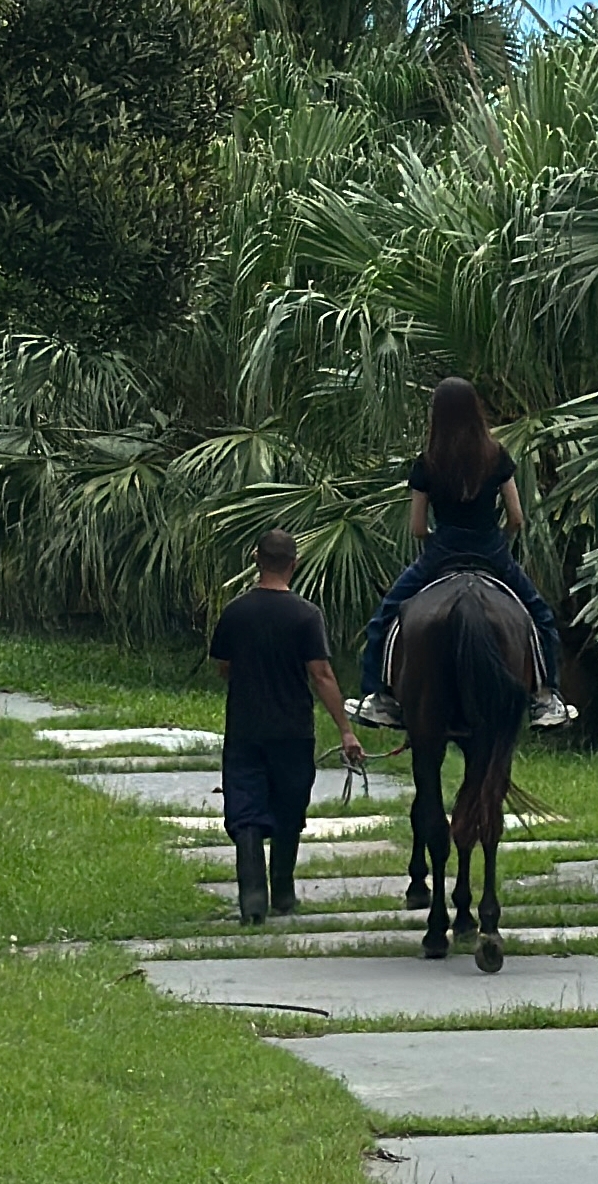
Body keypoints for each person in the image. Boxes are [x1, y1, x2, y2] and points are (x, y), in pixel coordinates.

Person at [348, 375, 575, 732]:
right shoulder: (496, 456)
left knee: (384, 618)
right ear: (475, 410)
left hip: (442, 552)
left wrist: (438, 539)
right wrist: (499, 538)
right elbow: (516, 517)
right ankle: (547, 697)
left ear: (437, 414)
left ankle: (378, 697)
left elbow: (418, 528)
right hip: (491, 550)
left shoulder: (427, 462)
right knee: (542, 618)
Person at [205, 527, 364, 922]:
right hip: (293, 729)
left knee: (245, 809)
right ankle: (283, 893)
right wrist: (345, 730)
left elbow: (224, 666)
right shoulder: (306, 615)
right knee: (289, 808)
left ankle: (252, 899)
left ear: (256, 560)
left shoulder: (235, 611)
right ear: (295, 564)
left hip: (245, 727)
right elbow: (321, 675)